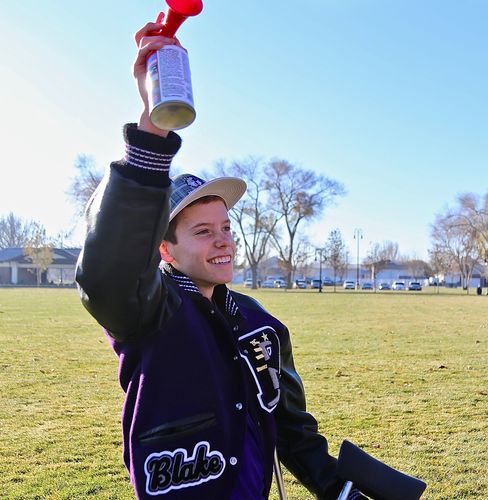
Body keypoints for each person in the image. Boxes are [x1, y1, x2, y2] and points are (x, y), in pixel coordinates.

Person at [76, 23, 362, 499]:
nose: (223, 241)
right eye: (203, 232)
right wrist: (152, 128)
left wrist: (338, 488)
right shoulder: (149, 312)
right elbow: (109, 275)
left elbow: (291, 429)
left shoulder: (259, 321)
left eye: (226, 227)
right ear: (165, 249)